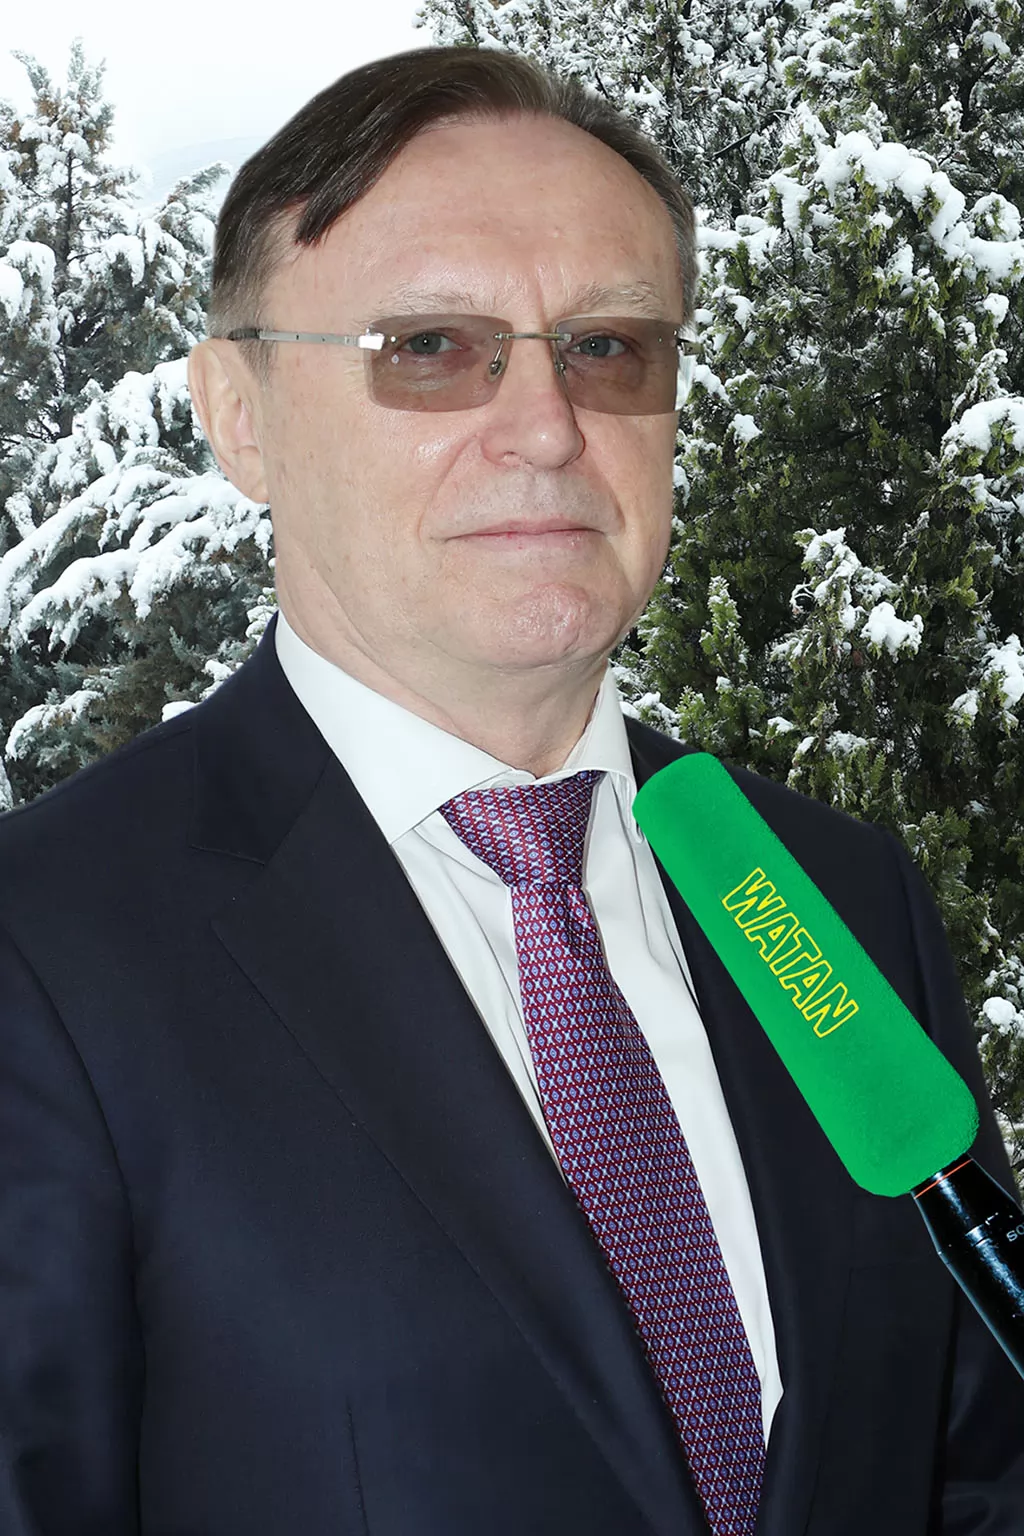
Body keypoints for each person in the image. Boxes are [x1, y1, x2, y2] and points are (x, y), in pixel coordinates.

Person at [0, 42, 1021, 1536]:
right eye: (429, 346)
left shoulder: (836, 898)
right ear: (239, 413)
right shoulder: (43, 951)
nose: (548, 426)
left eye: (607, 348)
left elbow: (977, 1471)